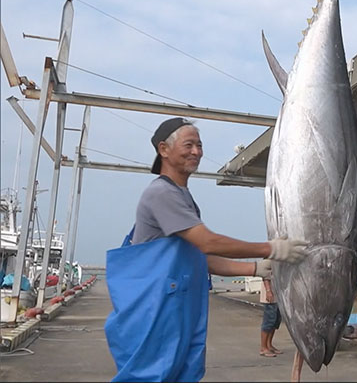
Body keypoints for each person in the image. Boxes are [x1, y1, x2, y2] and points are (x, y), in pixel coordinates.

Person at [105, 117, 309, 382]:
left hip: (178, 310)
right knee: (152, 375)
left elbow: (198, 258)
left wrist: (256, 268)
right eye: (189, 145)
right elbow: (207, 242)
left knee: (181, 373)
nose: (197, 152)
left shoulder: (182, 196)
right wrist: (271, 248)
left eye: (199, 145)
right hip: (156, 311)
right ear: (164, 150)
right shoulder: (161, 193)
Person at [260, 274, 283, 357]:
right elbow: (265, 276)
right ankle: (263, 347)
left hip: (278, 295)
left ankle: (269, 345)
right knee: (269, 321)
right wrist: (268, 291)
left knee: (275, 321)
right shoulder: (269, 262)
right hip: (270, 295)